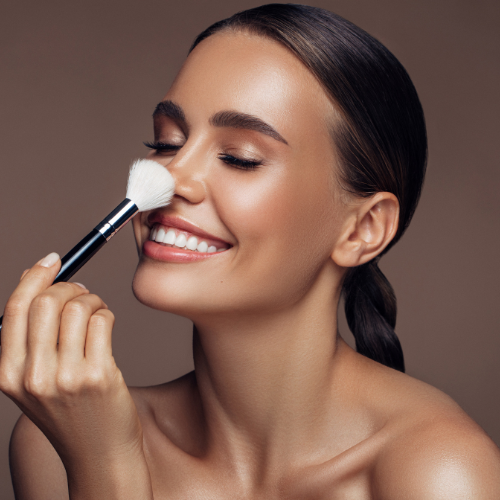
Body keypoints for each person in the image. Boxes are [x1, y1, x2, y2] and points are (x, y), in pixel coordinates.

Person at [2, 4, 499, 499]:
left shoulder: (440, 473)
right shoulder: (59, 442)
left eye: (239, 158)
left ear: (362, 229)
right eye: (166, 142)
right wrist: (101, 460)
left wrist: (108, 468)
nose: (173, 177)